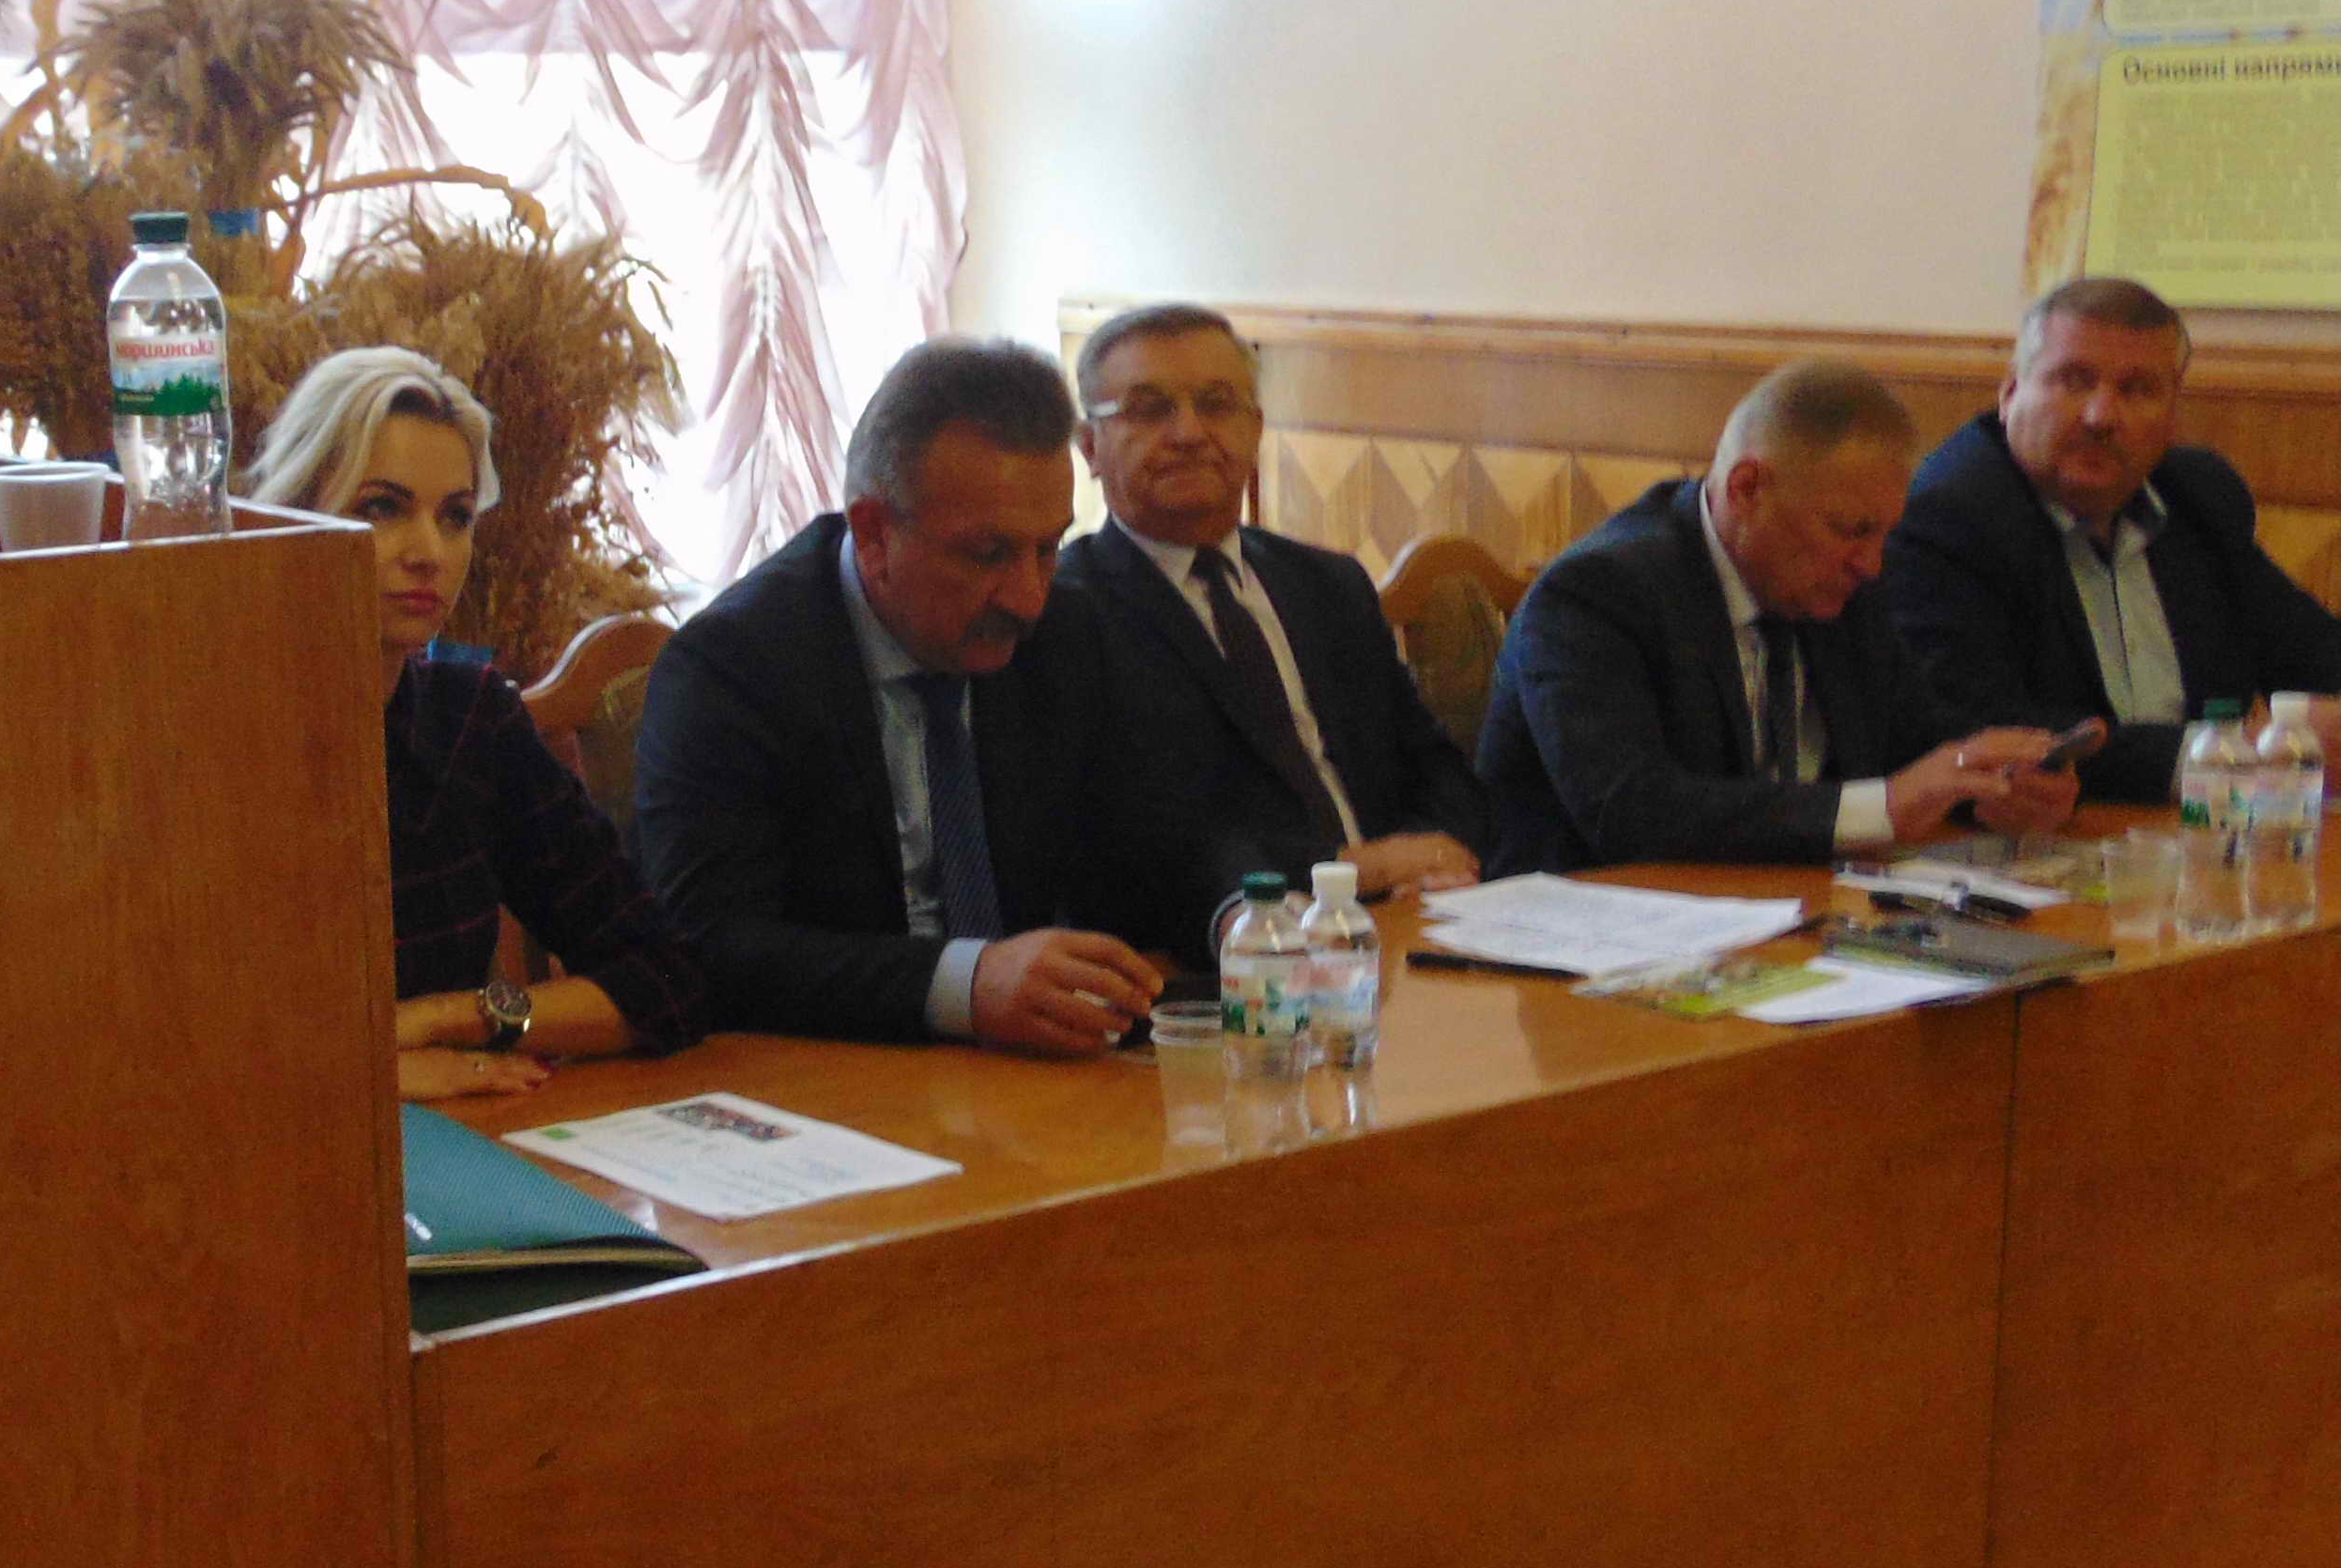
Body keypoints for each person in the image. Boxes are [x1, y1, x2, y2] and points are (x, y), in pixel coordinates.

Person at [632, 337, 1164, 1053]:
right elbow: (708, 946)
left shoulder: (1064, 632)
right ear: (874, 534)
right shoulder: (732, 669)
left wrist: (1240, 913)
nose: (1029, 598)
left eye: (1048, 548)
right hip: (832, 1069)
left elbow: (1152, 841)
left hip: (1033, 1066)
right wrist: (965, 984)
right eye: (989, 554)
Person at [239, 345, 706, 1102]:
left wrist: (450, 1019)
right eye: (381, 508)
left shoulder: (471, 722)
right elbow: (173, 1037)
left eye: (455, 517)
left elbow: (668, 979)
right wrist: (365, 1072)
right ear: (291, 514)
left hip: (458, 1134)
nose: (428, 552)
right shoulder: (213, 733)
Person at [1477, 357, 2080, 873]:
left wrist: (1993, 785)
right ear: (1747, 488)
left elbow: (1912, 744)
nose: (1872, 564)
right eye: (1851, 530)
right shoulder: (1597, 592)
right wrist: (1887, 806)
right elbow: (1632, 811)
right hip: (1592, 931)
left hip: (1781, 913)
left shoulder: (1836, 587)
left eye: (1883, 534)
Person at [1883, 274, 2341, 805]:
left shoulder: (2196, 495)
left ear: (2172, 413)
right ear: (2009, 394)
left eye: (2137, 390)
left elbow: (2304, 636)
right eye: (2074, 381)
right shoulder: (1949, 515)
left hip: (2201, 829)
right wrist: (2244, 752)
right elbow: (1982, 728)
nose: (2101, 416)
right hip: (2054, 828)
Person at [1057, 302, 1485, 961]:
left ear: (1255, 428)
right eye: (1150, 409)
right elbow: (1138, 837)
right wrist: (1357, 869)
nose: (1189, 432)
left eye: (1217, 404)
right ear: (1090, 446)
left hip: (1408, 930)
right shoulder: (1067, 610)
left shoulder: (1328, 584)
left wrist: (1437, 859)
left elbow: (1432, 762)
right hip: (1230, 955)